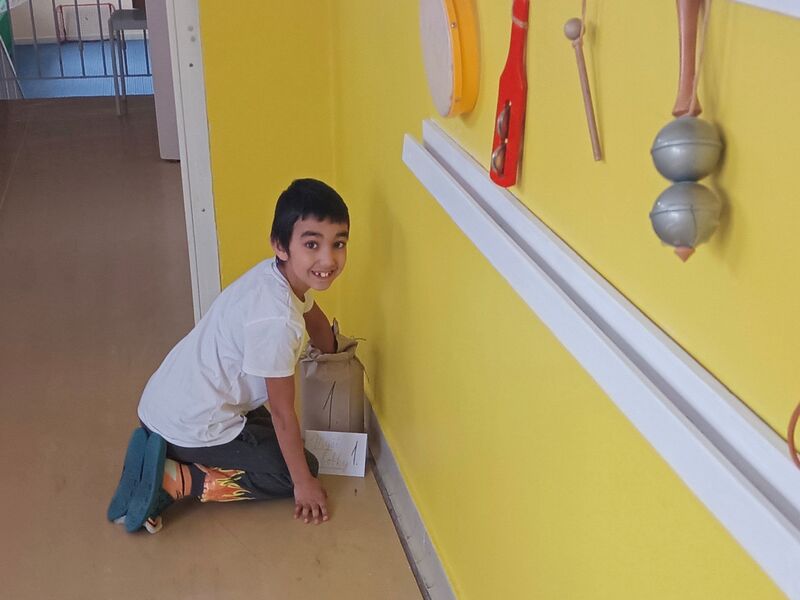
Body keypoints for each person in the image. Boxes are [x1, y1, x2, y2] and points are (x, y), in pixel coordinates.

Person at [107, 178, 349, 533]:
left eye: (338, 243)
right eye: (312, 244)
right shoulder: (278, 321)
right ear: (281, 245)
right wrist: (304, 484)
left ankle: (160, 451)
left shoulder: (276, 276)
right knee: (300, 468)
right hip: (190, 427)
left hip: (164, 407)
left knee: (285, 441)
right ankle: (179, 479)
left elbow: (312, 314)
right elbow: (282, 414)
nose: (328, 259)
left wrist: (333, 354)